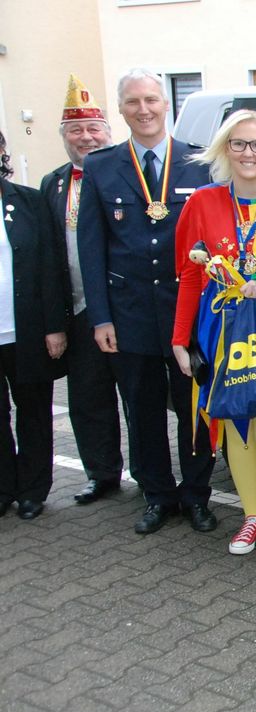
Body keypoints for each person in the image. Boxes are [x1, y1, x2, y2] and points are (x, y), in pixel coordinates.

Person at [78, 68, 215, 534]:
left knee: (194, 407)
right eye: (134, 102)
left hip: (188, 314)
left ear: (166, 104)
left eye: (152, 100)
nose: (144, 109)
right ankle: (157, 495)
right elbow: (91, 249)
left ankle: (197, 495)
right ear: (121, 109)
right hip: (129, 312)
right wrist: (100, 318)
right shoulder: (101, 166)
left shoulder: (199, 163)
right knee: (142, 409)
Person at [172, 110, 256, 556]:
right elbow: (188, 275)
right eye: (239, 144)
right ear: (225, 150)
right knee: (234, 419)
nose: (248, 153)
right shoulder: (201, 202)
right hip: (220, 328)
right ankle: (250, 517)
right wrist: (180, 339)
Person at [40, 74, 126, 506]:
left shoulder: (125, 175)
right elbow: (48, 258)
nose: (86, 137)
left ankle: (152, 475)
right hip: (78, 310)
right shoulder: (52, 185)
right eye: (76, 130)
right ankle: (102, 473)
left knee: (137, 396)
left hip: (123, 308)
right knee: (88, 399)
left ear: (108, 133)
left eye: (94, 129)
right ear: (65, 137)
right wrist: (54, 321)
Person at [0, 131, 68, 520]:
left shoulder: (27, 201)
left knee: (34, 413)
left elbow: (48, 265)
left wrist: (54, 326)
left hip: (24, 329)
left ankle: (32, 490)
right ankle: (2, 487)